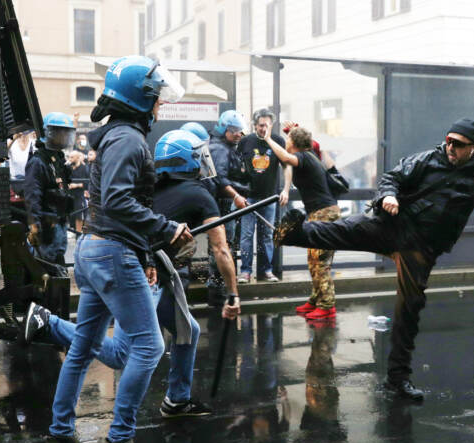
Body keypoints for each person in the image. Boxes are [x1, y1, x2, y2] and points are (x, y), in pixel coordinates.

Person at [275, 118, 474, 400]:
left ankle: (398, 380)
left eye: (458, 144)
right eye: (448, 141)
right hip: (394, 225)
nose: (451, 148)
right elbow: (391, 178)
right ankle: (291, 235)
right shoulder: (427, 159)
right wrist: (388, 196)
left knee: (409, 309)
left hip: (421, 247)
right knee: (344, 229)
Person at [44, 55, 192, 443]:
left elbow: (117, 204)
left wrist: (146, 252)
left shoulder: (113, 136)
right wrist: (166, 229)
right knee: (149, 347)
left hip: (94, 249)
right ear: (140, 101)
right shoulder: (129, 139)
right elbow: (120, 202)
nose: (160, 106)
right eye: (157, 100)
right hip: (112, 252)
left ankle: (60, 437)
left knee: (83, 347)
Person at [26, 129, 240, 420]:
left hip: (141, 267)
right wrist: (232, 294)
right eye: (196, 156)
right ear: (185, 161)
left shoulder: (149, 188)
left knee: (187, 330)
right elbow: (221, 250)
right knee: (121, 354)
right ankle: (47, 322)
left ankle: (177, 400)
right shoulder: (201, 194)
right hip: (140, 271)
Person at [262, 123, 340, 319]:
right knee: (313, 259)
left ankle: (327, 305)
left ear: (295, 143)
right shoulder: (306, 156)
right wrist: (290, 132)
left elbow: (286, 157)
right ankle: (316, 299)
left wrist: (268, 138)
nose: (286, 142)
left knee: (320, 261)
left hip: (325, 214)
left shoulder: (304, 157)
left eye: (288, 139)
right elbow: (289, 161)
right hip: (319, 213)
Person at [236, 108, 291, 283]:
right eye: (260, 125)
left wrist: (286, 190)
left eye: (266, 125)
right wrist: (237, 192)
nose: (263, 129)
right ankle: (245, 271)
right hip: (249, 196)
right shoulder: (245, 141)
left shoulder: (278, 141)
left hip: (269, 196)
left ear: (271, 125)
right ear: (254, 125)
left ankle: (266, 270)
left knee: (267, 235)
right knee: (246, 235)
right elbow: (236, 166)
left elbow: (287, 165)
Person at [207, 110, 249, 304]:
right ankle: (218, 291)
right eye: (235, 131)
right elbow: (220, 179)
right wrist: (237, 195)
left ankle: (218, 289)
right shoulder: (220, 149)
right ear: (225, 130)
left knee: (221, 246)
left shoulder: (224, 146)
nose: (239, 134)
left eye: (241, 131)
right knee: (222, 247)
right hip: (221, 204)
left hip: (221, 203)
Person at [24, 112, 76, 265]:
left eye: (66, 133)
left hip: (60, 220)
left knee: (58, 261)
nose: (63, 137)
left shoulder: (58, 160)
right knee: (47, 265)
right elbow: (32, 194)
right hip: (47, 224)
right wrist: (34, 223)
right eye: (59, 132)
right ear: (47, 133)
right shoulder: (38, 161)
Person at [66, 150, 88, 233]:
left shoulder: (84, 168)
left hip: (79, 195)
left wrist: (77, 185)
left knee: (79, 215)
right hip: (68, 194)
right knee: (69, 214)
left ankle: (78, 232)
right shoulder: (68, 167)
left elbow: (87, 183)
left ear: (78, 158)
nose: (70, 159)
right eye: (69, 157)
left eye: (72, 157)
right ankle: (71, 230)